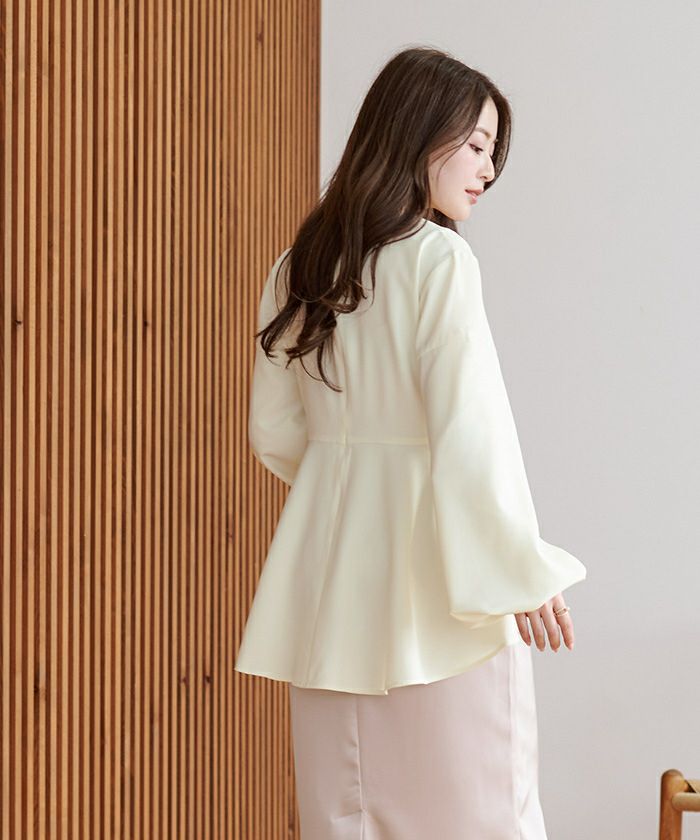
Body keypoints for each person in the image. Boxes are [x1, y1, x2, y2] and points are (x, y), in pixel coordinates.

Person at [234, 45, 587, 839]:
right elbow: (472, 432)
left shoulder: (299, 267)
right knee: (483, 817)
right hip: (437, 603)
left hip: (324, 598)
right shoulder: (438, 260)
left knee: (347, 820)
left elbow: (276, 432)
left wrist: (350, 489)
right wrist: (521, 569)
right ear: (417, 132)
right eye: (477, 144)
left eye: (493, 152)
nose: (488, 169)